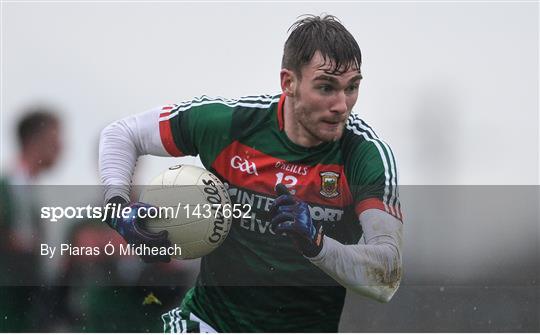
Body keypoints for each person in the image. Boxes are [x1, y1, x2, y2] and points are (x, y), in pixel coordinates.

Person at [99, 14, 403, 332]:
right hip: (209, 323)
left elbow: (387, 275)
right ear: (289, 82)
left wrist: (315, 242)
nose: (342, 105)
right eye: (326, 87)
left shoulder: (364, 155)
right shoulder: (232, 124)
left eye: (352, 87)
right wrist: (117, 204)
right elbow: (122, 134)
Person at [0, 108, 63, 331]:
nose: (61, 148)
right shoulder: (9, 190)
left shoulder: (30, 193)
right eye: (56, 139)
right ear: (36, 140)